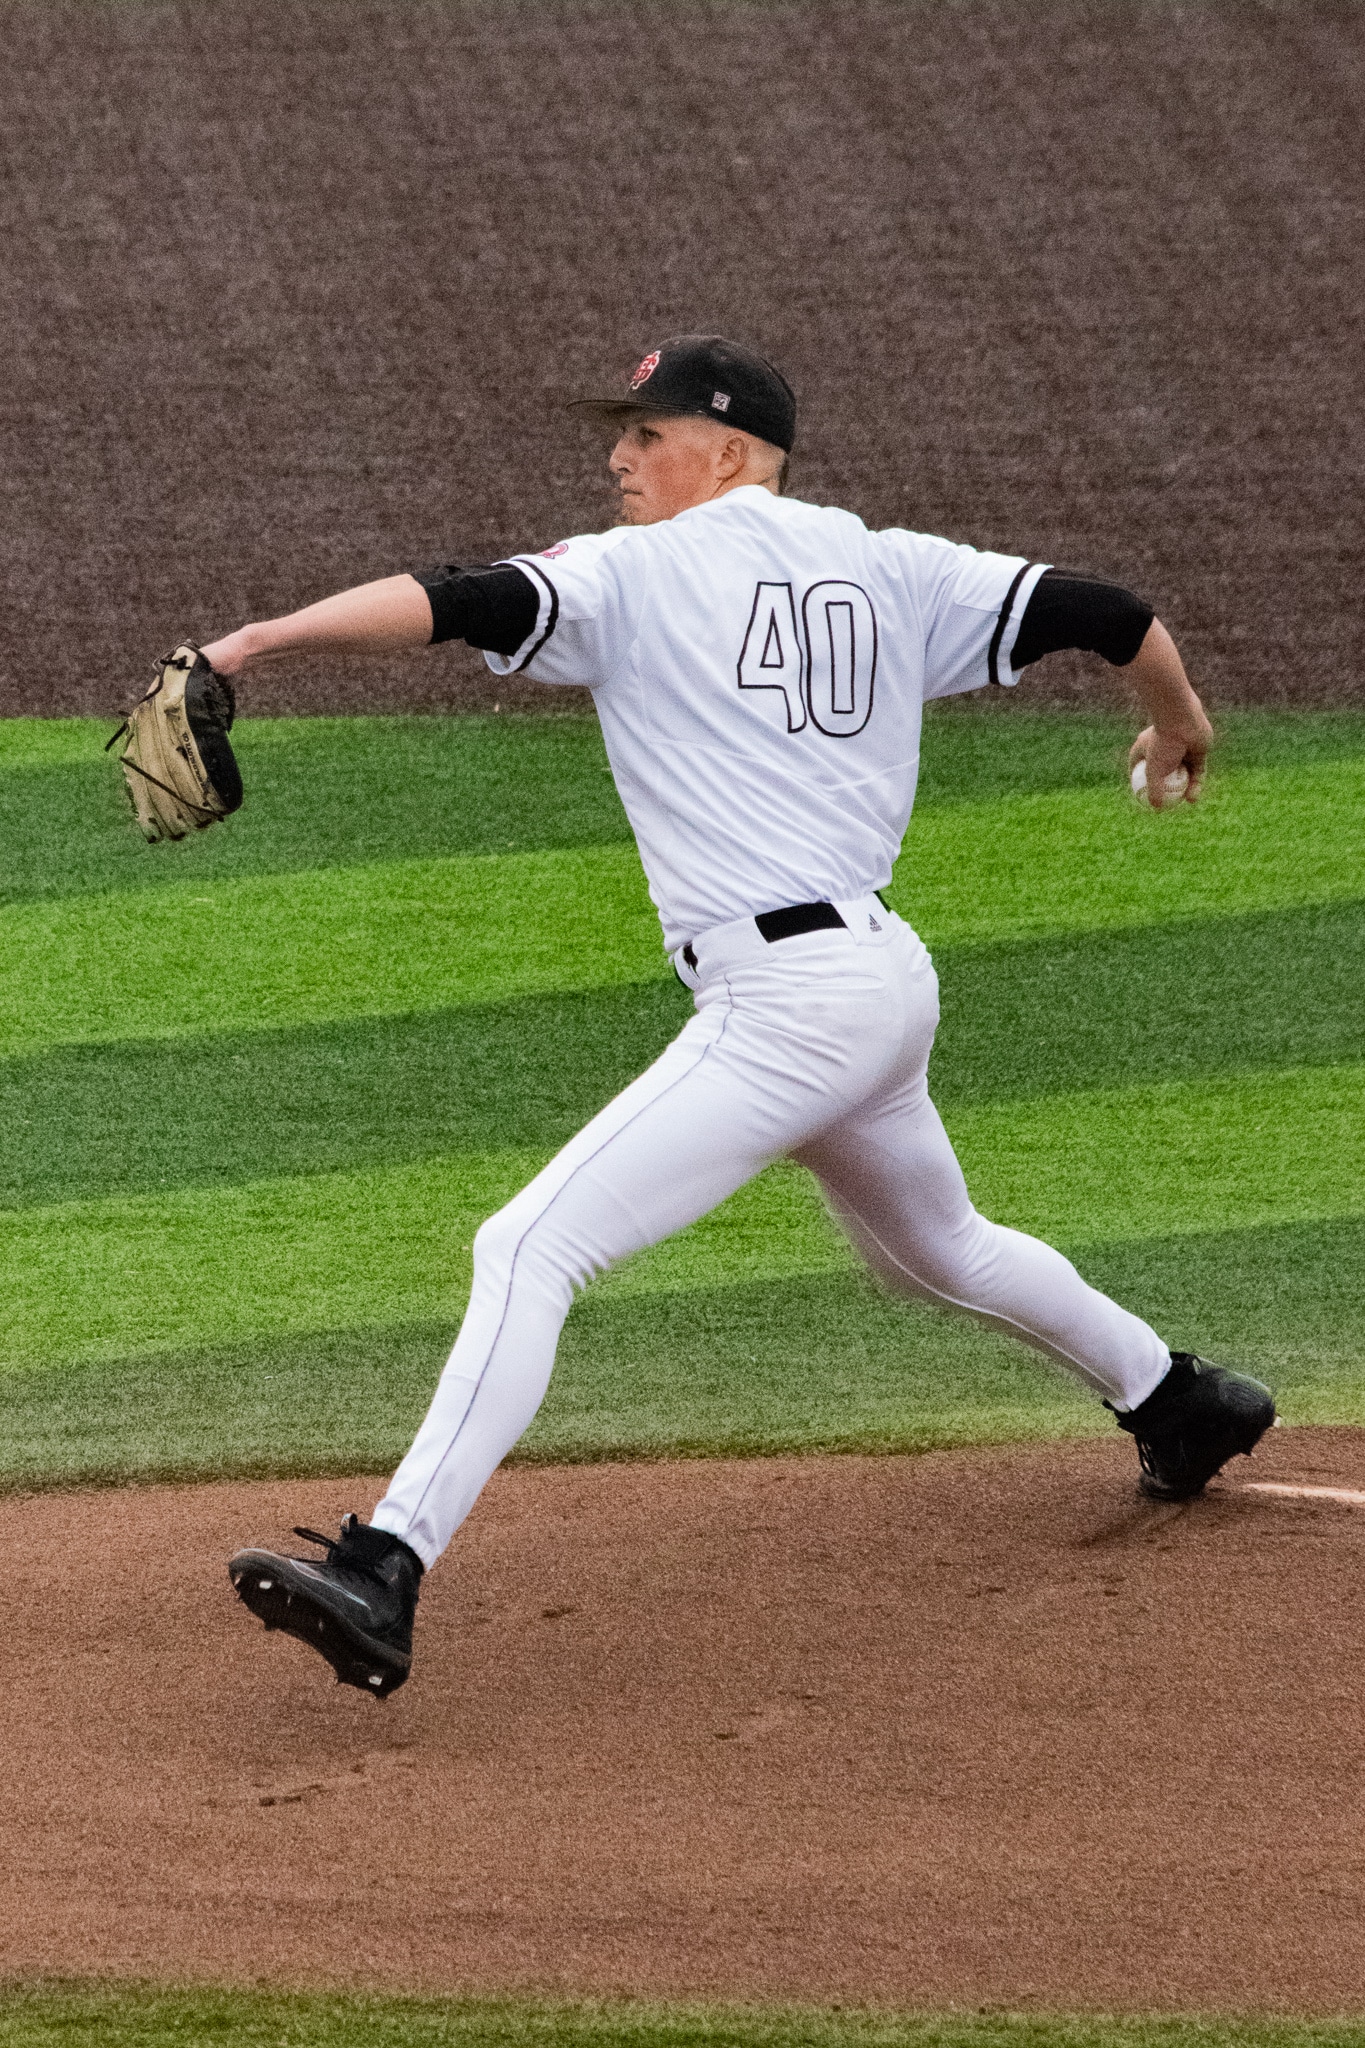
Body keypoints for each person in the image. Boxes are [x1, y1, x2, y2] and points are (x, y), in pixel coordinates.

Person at [219, 335, 1274, 1698]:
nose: (617, 457)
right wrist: (1174, 720)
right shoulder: (895, 566)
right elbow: (1106, 608)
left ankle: (384, 1565)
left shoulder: (631, 573)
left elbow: (454, 600)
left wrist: (255, 641)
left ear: (730, 451)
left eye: (646, 434)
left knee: (527, 1244)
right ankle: (1177, 1402)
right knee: (935, 1248)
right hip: (878, 984)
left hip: (784, 1007)